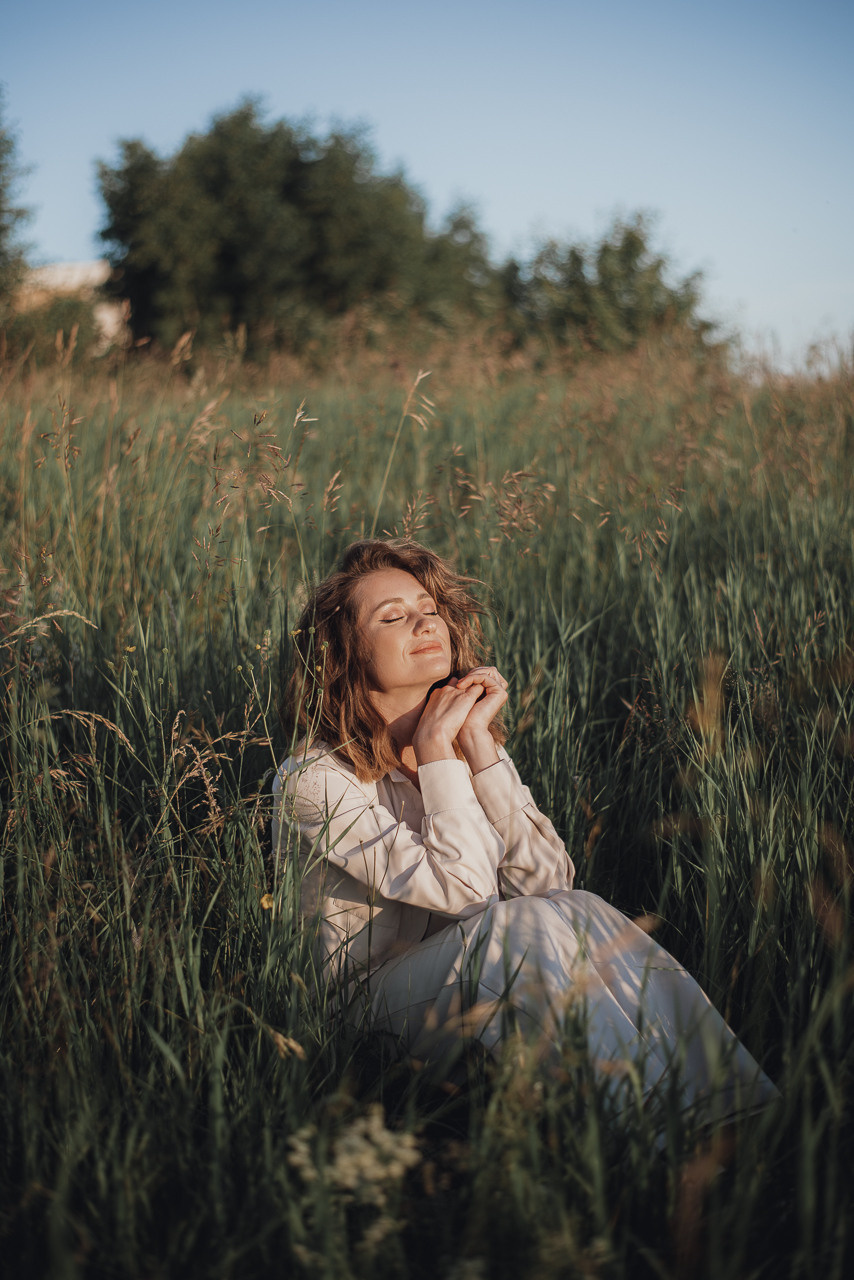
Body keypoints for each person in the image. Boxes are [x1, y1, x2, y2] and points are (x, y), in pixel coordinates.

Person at [272, 538, 777, 1121]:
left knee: (582, 907)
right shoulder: (313, 779)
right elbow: (468, 895)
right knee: (513, 927)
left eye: (428, 608)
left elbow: (548, 884)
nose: (422, 622)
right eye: (392, 616)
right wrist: (438, 752)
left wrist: (480, 750)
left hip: (468, 982)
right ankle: (655, 1129)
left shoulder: (459, 742)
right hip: (367, 1015)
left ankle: (738, 1105)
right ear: (345, 654)